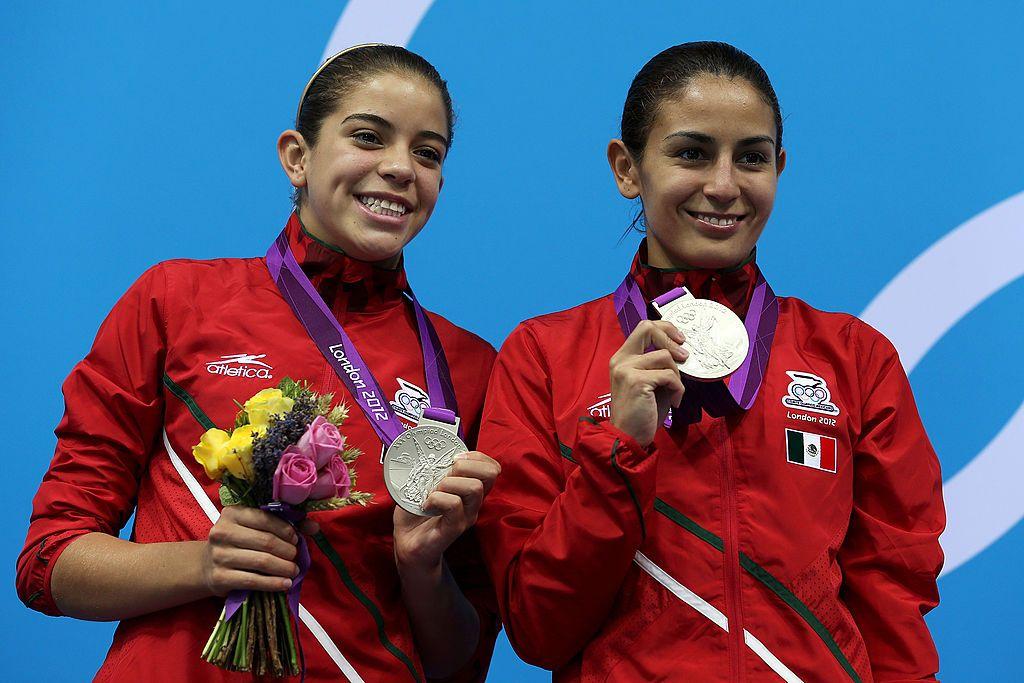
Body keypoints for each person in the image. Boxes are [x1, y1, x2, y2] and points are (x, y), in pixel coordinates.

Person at [17, 44, 501, 683]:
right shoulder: (177, 302)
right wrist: (204, 565)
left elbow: (458, 662)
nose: (400, 168)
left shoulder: (468, 367)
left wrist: (421, 566)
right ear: (297, 158)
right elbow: (50, 564)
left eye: (427, 152)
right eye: (368, 137)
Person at [477, 41, 944, 682]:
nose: (724, 186)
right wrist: (618, 450)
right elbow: (537, 628)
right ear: (627, 168)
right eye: (692, 153)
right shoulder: (544, 357)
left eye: (751, 158)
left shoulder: (855, 359)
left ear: (779, 167)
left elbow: (893, 599)